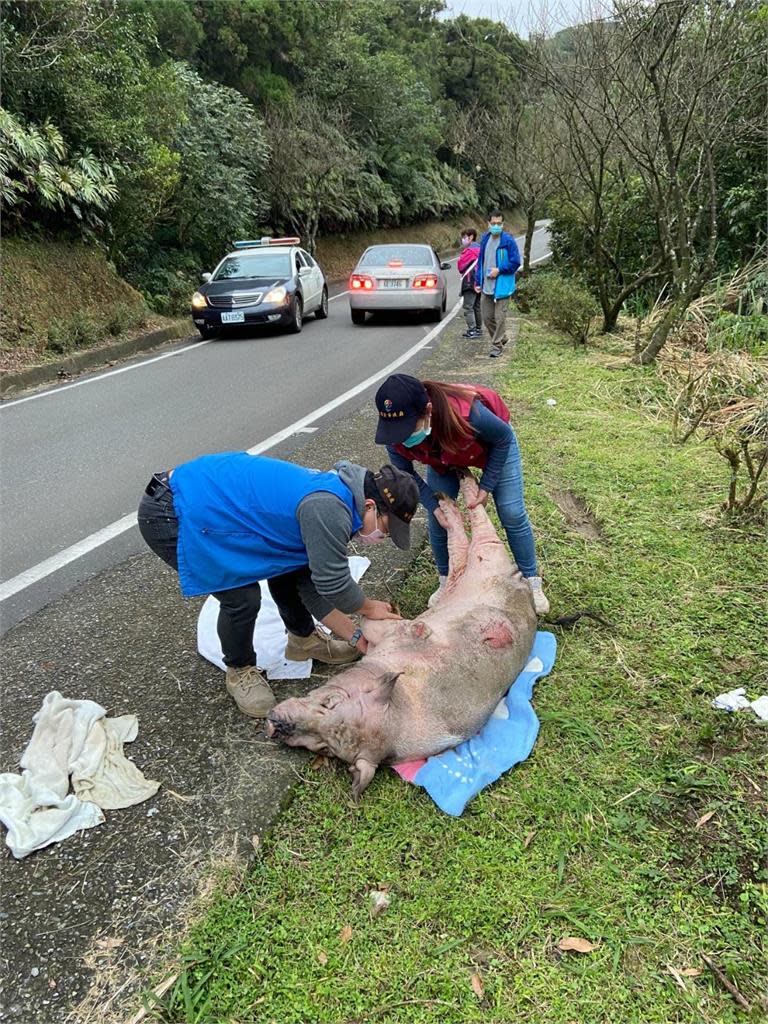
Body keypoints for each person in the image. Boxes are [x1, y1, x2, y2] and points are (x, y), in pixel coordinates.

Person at [138, 453, 419, 718]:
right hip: (173, 509)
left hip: (209, 502)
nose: (382, 537)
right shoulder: (329, 508)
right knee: (241, 596)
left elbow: (310, 583)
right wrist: (368, 608)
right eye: (386, 528)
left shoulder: (340, 498)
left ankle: (303, 640)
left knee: (291, 568)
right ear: (370, 505)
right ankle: (239, 669)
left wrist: (358, 639)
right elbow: (333, 582)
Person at [374, 373, 549, 615]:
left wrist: (486, 486)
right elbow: (406, 475)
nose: (401, 437)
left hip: (491, 447)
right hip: (442, 459)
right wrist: (434, 507)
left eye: (407, 429)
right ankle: (447, 580)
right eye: (397, 431)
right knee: (440, 520)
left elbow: (503, 439)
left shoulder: (468, 413)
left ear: (428, 410)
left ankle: (531, 581)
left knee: (511, 512)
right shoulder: (395, 436)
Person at [474, 209, 521, 359]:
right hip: (486, 285)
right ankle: (502, 337)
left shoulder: (508, 241)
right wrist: (477, 280)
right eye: (493, 223)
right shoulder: (485, 239)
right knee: (487, 318)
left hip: (502, 286)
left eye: (499, 223)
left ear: (503, 224)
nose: (496, 226)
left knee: (500, 317)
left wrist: (499, 270)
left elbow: (515, 262)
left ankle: (496, 346)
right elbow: (480, 262)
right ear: (488, 224)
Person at [457, 228, 482, 339]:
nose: (463, 240)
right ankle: (478, 329)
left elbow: (460, 266)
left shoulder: (469, 251)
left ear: (471, 237)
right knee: (477, 306)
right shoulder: (481, 249)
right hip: (479, 281)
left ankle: (472, 330)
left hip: (469, 281)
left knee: (468, 307)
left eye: (464, 237)